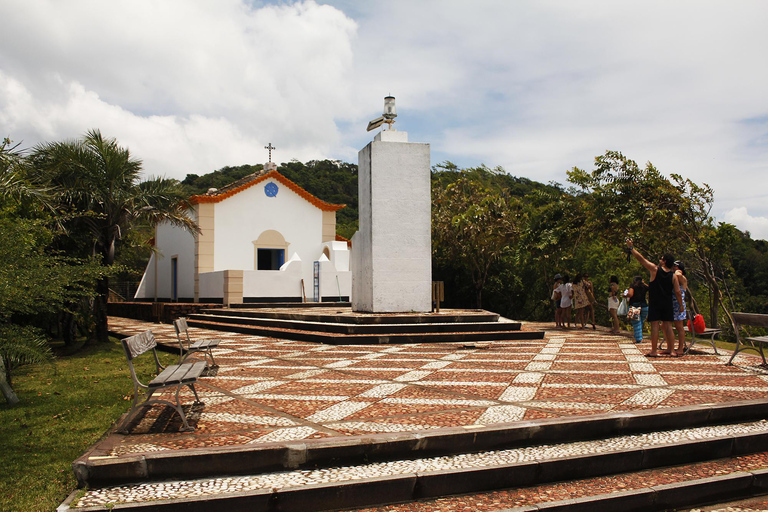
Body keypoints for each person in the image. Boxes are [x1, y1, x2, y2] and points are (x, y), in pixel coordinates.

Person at [626, 238, 684, 357]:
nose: (659, 260)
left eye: (661, 258)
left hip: (655, 302)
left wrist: (632, 248)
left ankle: (654, 351)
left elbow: (641, 260)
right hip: (667, 302)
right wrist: (681, 305)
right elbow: (678, 291)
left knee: (655, 325)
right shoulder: (672, 276)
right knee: (668, 325)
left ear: (664, 261)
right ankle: (672, 350)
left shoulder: (654, 270)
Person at [672, 261, 689, 354]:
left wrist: (677, 271)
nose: (673, 268)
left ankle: (680, 348)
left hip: (679, 305)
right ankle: (671, 346)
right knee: (664, 325)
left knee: (679, 327)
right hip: (672, 304)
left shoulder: (682, 278)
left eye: (675, 266)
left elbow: (678, 274)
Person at [626, 275, 649, 343]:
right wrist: (643, 283)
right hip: (644, 306)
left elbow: (630, 294)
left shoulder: (633, 286)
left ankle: (639, 339)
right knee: (640, 322)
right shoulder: (644, 286)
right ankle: (639, 336)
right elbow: (650, 288)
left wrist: (626, 295)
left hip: (635, 306)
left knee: (636, 323)